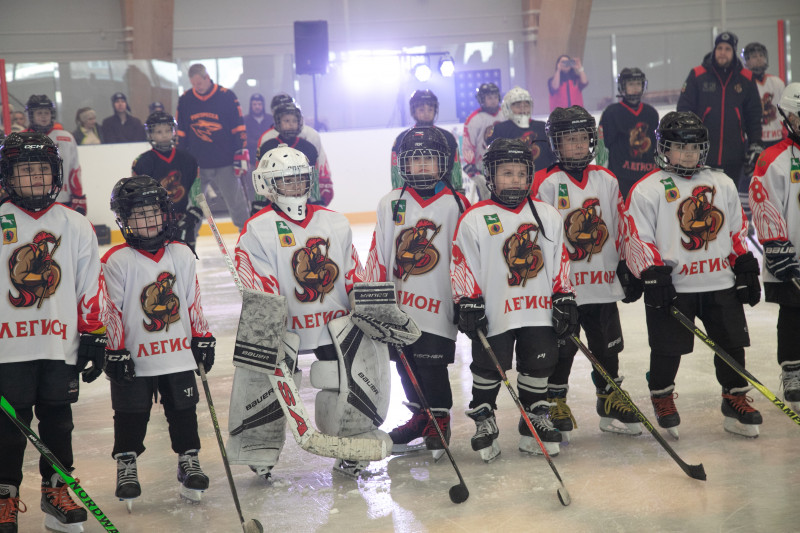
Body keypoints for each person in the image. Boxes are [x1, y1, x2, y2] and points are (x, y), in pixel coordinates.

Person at [227, 145, 415, 479]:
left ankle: (352, 442)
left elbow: (353, 273)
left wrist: (373, 308)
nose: (296, 186)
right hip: (286, 326)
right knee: (267, 380)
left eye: (301, 178)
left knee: (349, 378)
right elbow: (260, 286)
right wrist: (266, 330)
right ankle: (259, 446)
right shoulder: (258, 228)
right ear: (267, 184)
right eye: (287, 180)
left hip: (334, 324)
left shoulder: (334, 221)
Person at [625, 111, 763, 439]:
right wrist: (652, 273)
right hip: (674, 286)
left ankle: (734, 398)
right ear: (664, 148)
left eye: (694, 147)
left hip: (720, 281)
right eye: (679, 147)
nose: (688, 154)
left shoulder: (721, 183)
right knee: (667, 348)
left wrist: (743, 264)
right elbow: (638, 236)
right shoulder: (647, 189)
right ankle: (662, 396)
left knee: (732, 344)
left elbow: (736, 229)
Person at [0, 132, 106, 533]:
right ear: (9, 175)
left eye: (41, 170)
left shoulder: (74, 223)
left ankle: (56, 491)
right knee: (8, 429)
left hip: (59, 346)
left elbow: (89, 283)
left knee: (59, 422)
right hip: (7, 350)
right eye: (25, 170)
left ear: (55, 174)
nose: (34, 178)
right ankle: (5, 495)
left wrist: (93, 333)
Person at [451, 137, 578, 462]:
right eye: (507, 173)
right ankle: (485, 418)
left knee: (540, 362)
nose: (515, 180)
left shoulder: (547, 214)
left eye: (521, 174)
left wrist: (564, 295)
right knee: (488, 365)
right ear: (491, 176)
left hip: (538, 310)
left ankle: (533, 419)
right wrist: (467, 300)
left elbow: (560, 260)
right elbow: (462, 263)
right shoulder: (475, 217)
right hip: (495, 311)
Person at [103, 176, 216, 506]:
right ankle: (126, 463)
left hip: (178, 353)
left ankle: (188, 459)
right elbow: (111, 310)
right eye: (139, 214)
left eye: (154, 212)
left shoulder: (181, 253)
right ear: (124, 219)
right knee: (130, 412)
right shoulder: (116, 259)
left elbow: (192, 301)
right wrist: (115, 350)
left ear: (165, 213)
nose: (149, 220)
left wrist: (203, 337)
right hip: (135, 357)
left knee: (184, 410)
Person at [532, 105, 643, 441]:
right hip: (564, 289)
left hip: (602, 283)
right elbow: (539, 238)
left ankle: (609, 398)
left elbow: (621, 225)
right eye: (570, 139)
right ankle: (555, 400)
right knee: (562, 348)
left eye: (583, 138)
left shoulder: (606, 179)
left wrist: (628, 264)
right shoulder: (545, 183)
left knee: (607, 346)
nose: (578, 145)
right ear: (556, 143)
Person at [365, 127, 469, 455]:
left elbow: (466, 256)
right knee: (404, 362)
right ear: (403, 165)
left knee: (431, 363)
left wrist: (466, 296)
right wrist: (373, 296)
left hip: (439, 304)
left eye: (429, 159)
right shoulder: (390, 202)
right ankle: (420, 418)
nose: (422, 166)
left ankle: (439, 420)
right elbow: (379, 251)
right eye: (415, 159)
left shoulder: (457, 203)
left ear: (444, 163)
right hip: (400, 304)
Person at [749, 83, 800, 412]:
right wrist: (777, 244)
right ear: (787, 117)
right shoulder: (773, 159)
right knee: (793, 313)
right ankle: (793, 371)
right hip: (791, 255)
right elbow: (763, 203)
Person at [676, 31, 762, 215]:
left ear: (734, 52)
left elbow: (754, 115)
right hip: (702, 155)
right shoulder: (697, 75)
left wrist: (755, 144)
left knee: (728, 202)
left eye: (727, 49)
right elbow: (683, 109)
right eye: (720, 48)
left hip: (734, 155)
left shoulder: (746, 78)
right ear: (714, 50)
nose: (723, 52)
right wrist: (687, 141)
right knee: (702, 203)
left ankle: (730, 233)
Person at [176, 63, 250, 232]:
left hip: (225, 162)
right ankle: (189, 239)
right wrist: (181, 157)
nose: (197, 87)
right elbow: (181, 132)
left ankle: (247, 236)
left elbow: (238, 127)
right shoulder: (185, 99)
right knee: (193, 206)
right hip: (197, 164)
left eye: (199, 83)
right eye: (193, 84)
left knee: (236, 203)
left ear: (207, 77)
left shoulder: (227, 96)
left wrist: (240, 152)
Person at [132, 111, 202, 252]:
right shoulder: (142, 162)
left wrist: (194, 211)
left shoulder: (188, 160)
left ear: (174, 131)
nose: (164, 135)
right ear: (150, 134)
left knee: (186, 257)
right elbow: (138, 196)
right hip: (155, 223)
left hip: (183, 220)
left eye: (168, 130)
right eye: (159, 132)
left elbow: (197, 191)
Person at [256, 93, 333, 206]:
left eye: (293, 120)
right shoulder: (267, 139)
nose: (290, 124)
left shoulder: (310, 136)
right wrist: (261, 198)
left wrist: (324, 185)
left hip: (303, 195)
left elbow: (318, 164)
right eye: (286, 120)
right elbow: (260, 172)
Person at [598, 68, 660, 198]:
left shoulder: (651, 113)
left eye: (638, 83)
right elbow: (602, 147)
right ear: (622, 87)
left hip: (647, 177)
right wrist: (603, 174)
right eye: (631, 84)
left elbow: (657, 146)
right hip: (621, 178)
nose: (635, 87)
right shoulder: (611, 113)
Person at [24, 95, 87, 215]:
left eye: (47, 113)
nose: (44, 116)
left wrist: (78, 196)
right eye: (39, 113)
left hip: (63, 198)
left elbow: (74, 169)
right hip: (31, 199)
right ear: (31, 115)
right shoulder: (22, 139)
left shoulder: (66, 138)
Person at [391, 90, 462, 192]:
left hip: (442, 193)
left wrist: (457, 191)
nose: (426, 113)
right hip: (411, 195)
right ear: (414, 111)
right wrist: (397, 192)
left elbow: (455, 169)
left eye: (430, 109)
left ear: (435, 110)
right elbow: (396, 171)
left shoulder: (448, 137)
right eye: (421, 110)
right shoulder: (402, 139)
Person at [488, 86, 557, 171]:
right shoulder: (500, 129)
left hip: (542, 176)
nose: (522, 109)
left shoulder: (542, 126)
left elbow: (553, 156)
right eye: (518, 106)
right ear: (507, 108)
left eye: (526, 105)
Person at [462, 82, 503, 201]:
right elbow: (468, 145)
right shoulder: (474, 119)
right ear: (482, 99)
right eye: (489, 98)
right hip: (482, 171)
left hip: (504, 167)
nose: (493, 101)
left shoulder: (505, 114)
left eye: (495, 97)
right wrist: (471, 165)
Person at [742, 42, 786, 149]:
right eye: (754, 56)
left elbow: (785, 111)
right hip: (753, 140)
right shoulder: (743, 84)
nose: (759, 59)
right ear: (746, 61)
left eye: (761, 55)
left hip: (777, 138)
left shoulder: (777, 83)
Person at [244, 94, 273, 167]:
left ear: (263, 105)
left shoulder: (270, 119)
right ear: (251, 106)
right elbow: (245, 139)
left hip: (270, 159)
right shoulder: (245, 120)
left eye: (259, 104)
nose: (257, 107)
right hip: (251, 161)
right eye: (254, 104)